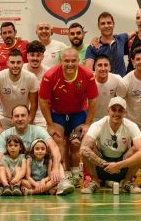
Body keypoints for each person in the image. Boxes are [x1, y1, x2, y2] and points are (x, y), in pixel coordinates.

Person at [39, 48, 99, 184]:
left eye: (73, 61)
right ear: (61, 61)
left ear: (79, 61)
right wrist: (49, 124)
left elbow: (93, 99)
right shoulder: (50, 75)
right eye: (67, 61)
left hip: (78, 113)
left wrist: (87, 124)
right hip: (57, 113)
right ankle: (63, 174)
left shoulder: (87, 74)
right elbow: (42, 100)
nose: (70, 64)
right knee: (58, 141)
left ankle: (76, 174)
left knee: (76, 143)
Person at [0, 104, 73, 195]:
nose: (20, 119)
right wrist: (2, 179)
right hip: (19, 176)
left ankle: (61, 183)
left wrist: (54, 168)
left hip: (37, 173)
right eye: (16, 116)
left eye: (23, 115)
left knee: (57, 163)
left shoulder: (38, 130)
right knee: (7, 172)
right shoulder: (5, 135)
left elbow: (54, 148)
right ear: (12, 119)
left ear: (29, 117)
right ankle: (45, 189)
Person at [79, 96, 141, 194]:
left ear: (125, 113)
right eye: (113, 109)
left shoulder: (131, 125)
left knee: (138, 150)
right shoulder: (98, 124)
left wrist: (118, 165)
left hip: (122, 165)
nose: (116, 113)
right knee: (87, 149)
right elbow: (83, 149)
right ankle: (95, 181)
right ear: (108, 110)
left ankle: (126, 182)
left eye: (120, 110)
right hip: (102, 165)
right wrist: (105, 164)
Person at [0, 49, 38, 129]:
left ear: (22, 63)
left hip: (23, 117)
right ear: (7, 63)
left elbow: (34, 104)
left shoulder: (31, 77)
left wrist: (30, 121)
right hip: (4, 117)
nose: (15, 65)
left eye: (18, 62)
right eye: (12, 62)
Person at [90, 56, 123, 122]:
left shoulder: (117, 79)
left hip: (109, 118)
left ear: (110, 67)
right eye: (99, 65)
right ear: (94, 67)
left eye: (106, 65)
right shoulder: (89, 80)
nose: (103, 68)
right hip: (91, 119)